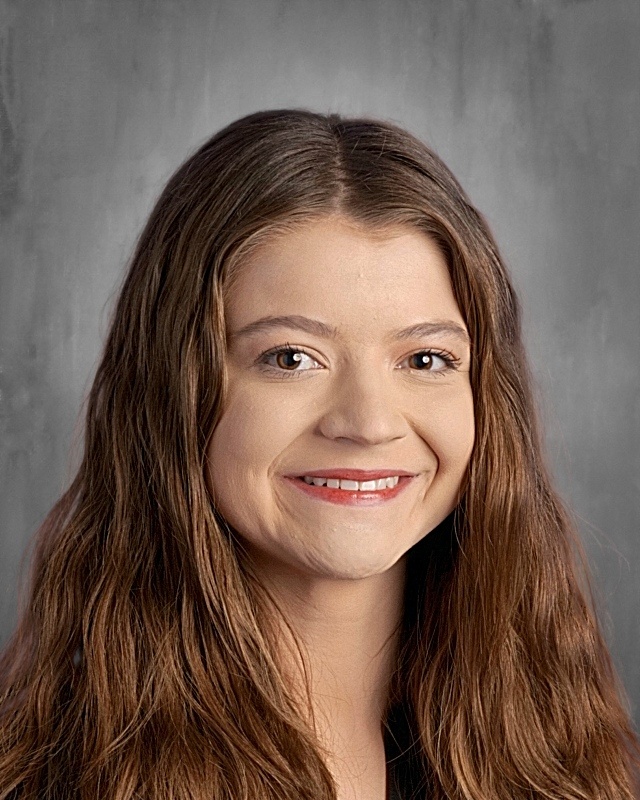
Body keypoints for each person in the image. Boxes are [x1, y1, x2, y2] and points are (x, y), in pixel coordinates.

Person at [0, 109, 638, 800]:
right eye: (291, 357)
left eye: (426, 358)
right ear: (172, 391)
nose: (367, 423)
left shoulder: (568, 761)